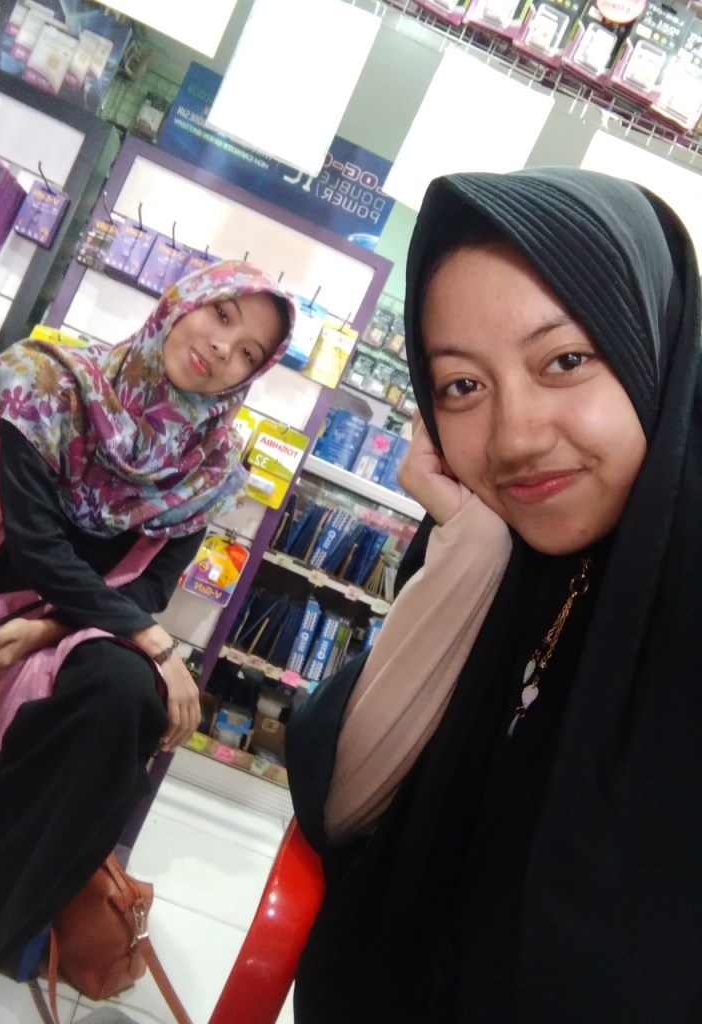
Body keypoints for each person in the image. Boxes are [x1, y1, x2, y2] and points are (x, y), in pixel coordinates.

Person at [286, 167, 702, 1023]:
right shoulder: (512, 561)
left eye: (566, 361)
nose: (515, 438)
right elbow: (343, 804)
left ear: (654, 351)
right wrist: (470, 552)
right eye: (462, 387)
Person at [0, 259, 294, 1024]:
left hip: (73, 624)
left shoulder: (211, 464)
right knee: (104, 690)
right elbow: (34, 544)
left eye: (250, 352)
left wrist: (50, 631)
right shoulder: (46, 380)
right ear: (182, 302)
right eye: (221, 315)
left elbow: (149, 588)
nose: (223, 349)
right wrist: (158, 646)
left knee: (127, 704)